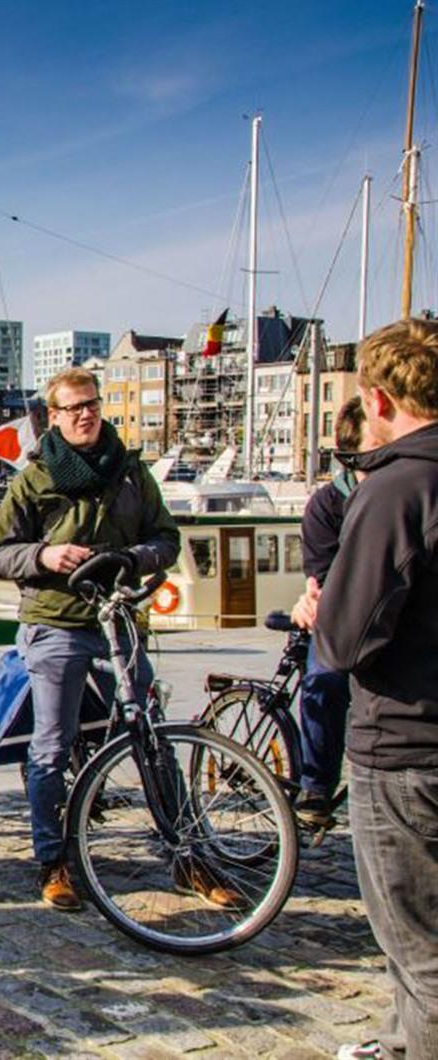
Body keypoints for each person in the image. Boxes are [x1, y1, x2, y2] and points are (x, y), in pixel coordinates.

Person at [0, 366, 224, 912]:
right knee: (52, 745)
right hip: (58, 617)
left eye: (92, 404)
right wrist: (44, 555)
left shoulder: (132, 472)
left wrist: (135, 558)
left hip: (119, 618)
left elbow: (166, 537)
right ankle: (54, 859)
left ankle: (185, 853)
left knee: (150, 737)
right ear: (56, 417)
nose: (86, 414)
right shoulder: (35, 478)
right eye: (74, 408)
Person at [312, 318, 438, 1060]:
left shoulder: (397, 488)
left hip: (407, 743)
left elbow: (345, 640)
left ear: (380, 397)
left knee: (418, 944)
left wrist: (323, 606)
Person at [284, 396, 367, 828]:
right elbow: (323, 578)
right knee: (324, 682)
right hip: (341, 616)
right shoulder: (327, 505)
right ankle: (316, 785)